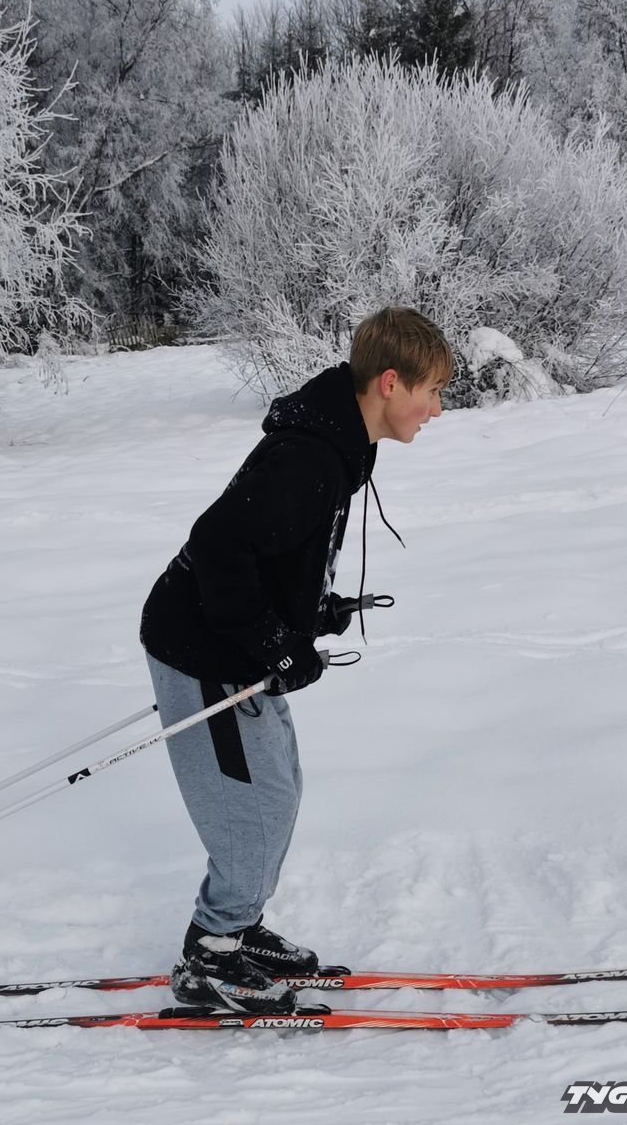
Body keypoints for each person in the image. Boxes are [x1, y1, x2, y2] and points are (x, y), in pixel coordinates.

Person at [140, 305, 453, 1014]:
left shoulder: (338, 447)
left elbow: (270, 553)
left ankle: (239, 926)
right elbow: (218, 547)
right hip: (202, 649)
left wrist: (309, 612)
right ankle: (211, 954)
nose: (437, 409)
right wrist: (279, 645)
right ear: (391, 383)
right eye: (433, 391)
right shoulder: (310, 458)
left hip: (233, 644)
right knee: (251, 810)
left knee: (278, 788)